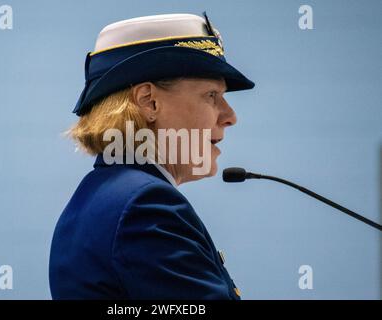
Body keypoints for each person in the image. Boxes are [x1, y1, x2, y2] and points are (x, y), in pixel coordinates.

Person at [49, 12, 254, 299]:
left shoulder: (103, 194)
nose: (230, 116)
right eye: (211, 95)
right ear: (149, 101)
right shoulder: (144, 205)